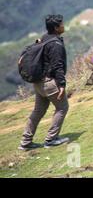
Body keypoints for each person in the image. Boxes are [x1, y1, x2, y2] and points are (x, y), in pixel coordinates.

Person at [19, 15, 70, 150]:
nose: (64, 26)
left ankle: (25, 142)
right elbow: (57, 65)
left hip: (39, 83)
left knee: (38, 111)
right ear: (56, 28)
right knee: (62, 108)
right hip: (49, 83)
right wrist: (62, 85)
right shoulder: (55, 44)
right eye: (61, 24)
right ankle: (51, 139)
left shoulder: (44, 38)